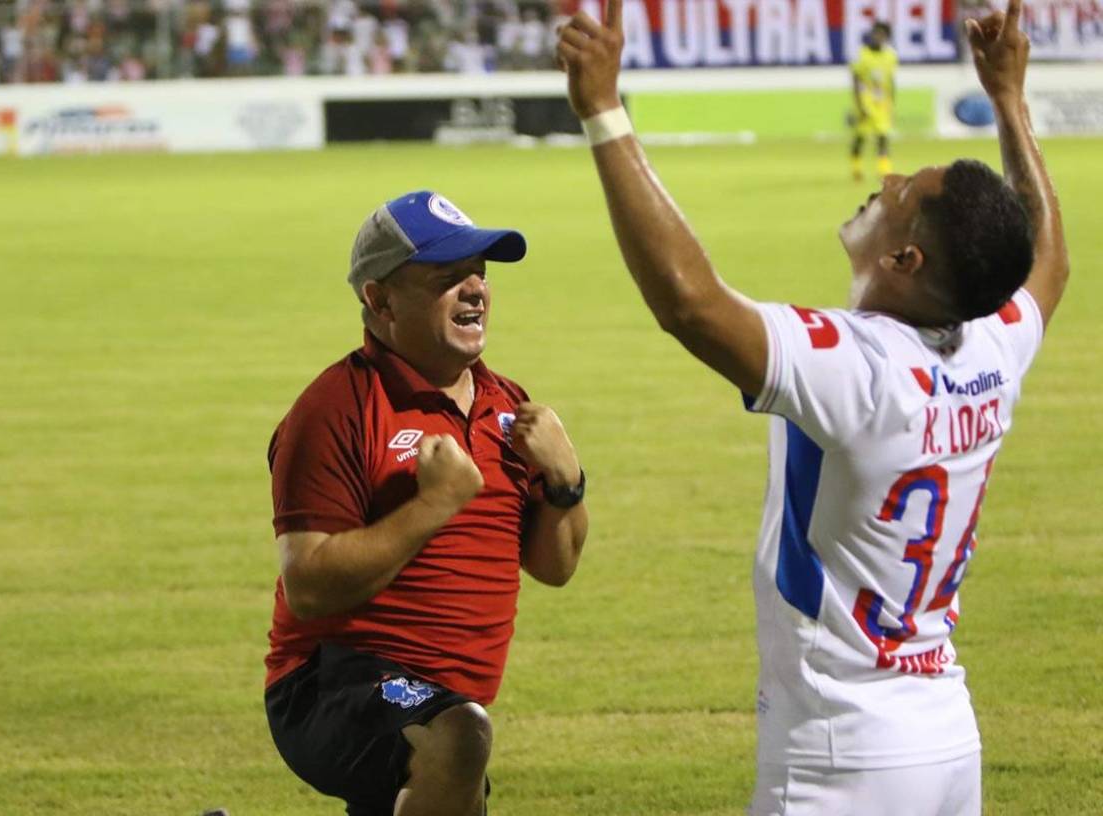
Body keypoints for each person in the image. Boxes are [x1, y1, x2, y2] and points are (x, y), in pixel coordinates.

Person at [557, 0, 1066, 813]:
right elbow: (1048, 262)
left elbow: (690, 303)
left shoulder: (855, 370)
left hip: (843, 756)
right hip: (945, 737)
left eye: (907, 190)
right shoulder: (990, 348)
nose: (889, 180)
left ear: (905, 256)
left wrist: (602, 111)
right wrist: (1008, 98)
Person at [264, 191, 590, 816]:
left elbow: (556, 566)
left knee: (456, 754)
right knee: (461, 738)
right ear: (379, 300)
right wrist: (433, 505)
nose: (475, 290)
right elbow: (307, 585)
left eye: (480, 274)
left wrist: (566, 482)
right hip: (330, 680)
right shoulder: (335, 409)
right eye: (447, 278)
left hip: (441, 698)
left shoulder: (506, 405)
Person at [850, 21, 898, 181]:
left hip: (883, 103)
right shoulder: (862, 54)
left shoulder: (891, 56)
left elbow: (891, 81)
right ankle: (856, 168)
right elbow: (856, 80)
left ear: (886, 37)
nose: (877, 37)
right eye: (875, 33)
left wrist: (892, 103)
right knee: (860, 137)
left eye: (881, 34)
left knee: (883, 136)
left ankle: (883, 171)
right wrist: (859, 104)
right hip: (866, 101)